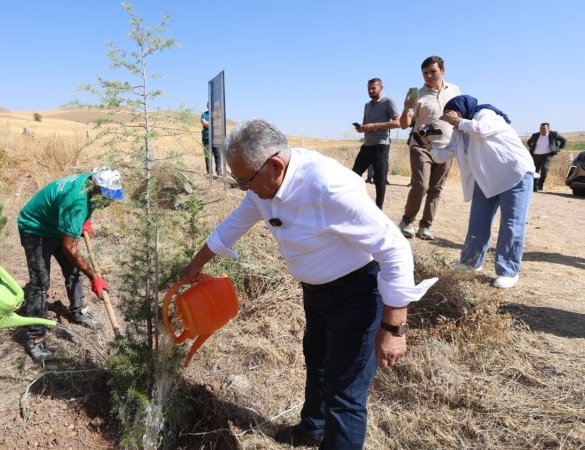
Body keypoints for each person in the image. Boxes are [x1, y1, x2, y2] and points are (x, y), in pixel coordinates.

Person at [177, 119, 437, 449]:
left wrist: (394, 329)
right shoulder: (262, 186)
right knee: (318, 362)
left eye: (245, 181)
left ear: (274, 165)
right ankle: (312, 428)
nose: (243, 189)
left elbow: (395, 248)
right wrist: (193, 266)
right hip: (316, 293)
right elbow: (231, 226)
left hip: (358, 296)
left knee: (345, 395)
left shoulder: (327, 187)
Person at [427, 95, 535, 289]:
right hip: (486, 179)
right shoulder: (459, 131)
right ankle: (469, 263)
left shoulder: (486, 114)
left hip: (515, 173)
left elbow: (481, 129)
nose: (450, 117)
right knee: (478, 222)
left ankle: (508, 271)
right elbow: (442, 156)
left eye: (452, 112)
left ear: (462, 108)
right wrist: (427, 142)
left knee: (511, 225)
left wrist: (457, 121)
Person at [17, 167, 124, 362]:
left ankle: (79, 311)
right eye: (107, 197)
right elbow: (69, 248)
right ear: (97, 188)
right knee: (40, 283)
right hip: (35, 228)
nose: (109, 203)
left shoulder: (89, 183)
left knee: (74, 270)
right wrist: (94, 277)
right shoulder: (76, 201)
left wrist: (85, 220)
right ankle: (35, 338)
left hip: (56, 225)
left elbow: (85, 209)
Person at [398, 56, 461, 240]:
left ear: (443, 70)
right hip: (421, 146)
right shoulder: (418, 94)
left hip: (447, 147)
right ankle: (407, 221)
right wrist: (405, 108)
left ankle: (425, 226)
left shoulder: (455, 90)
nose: (429, 76)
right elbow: (404, 124)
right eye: (425, 73)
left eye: (432, 72)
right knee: (421, 185)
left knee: (436, 188)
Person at [352, 78, 400, 209]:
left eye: (374, 88)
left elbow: (398, 123)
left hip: (381, 145)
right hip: (367, 145)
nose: (371, 91)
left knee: (380, 181)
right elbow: (366, 124)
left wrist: (374, 126)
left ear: (381, 88)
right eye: (369, 89)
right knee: (353, 176)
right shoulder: (367, 105)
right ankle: (355, 204)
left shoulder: (388, 101)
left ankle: (379, 210)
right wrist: (361, 128)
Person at [526, 122, 567, 192]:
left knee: (544, 169)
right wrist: (532, 148)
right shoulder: (535, 135)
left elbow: (564, 140)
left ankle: (540, 185)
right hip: (536, 155)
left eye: (544, 128)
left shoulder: (554, 134)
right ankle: (534, 186)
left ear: (548, 128)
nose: (542, 130)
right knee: (534, 171)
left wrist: (559, 148)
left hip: (547, 155)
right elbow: (529, 142)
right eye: (541, 128)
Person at [201, 106, 222, 176]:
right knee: (208, 155)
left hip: (217, 137)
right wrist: (214, 123)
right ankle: (209, 172)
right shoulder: (204, 114)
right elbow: (204, 123)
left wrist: (209, 123)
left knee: (218, 155)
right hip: (207, 138)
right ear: (207, 106)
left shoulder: (218, 115)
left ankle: (219, 172)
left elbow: (219, 124)